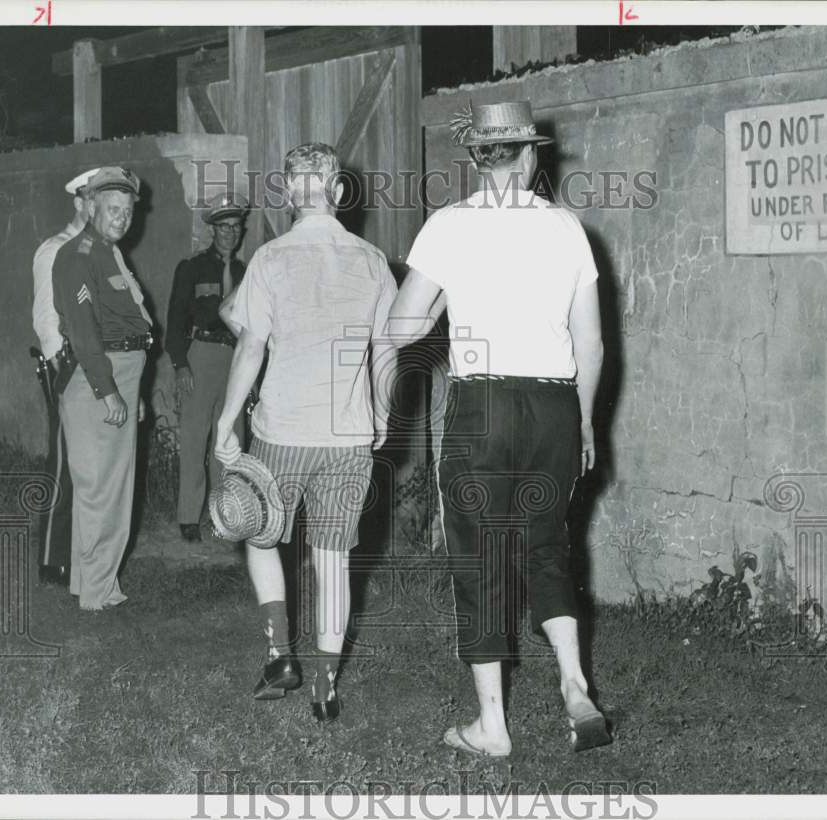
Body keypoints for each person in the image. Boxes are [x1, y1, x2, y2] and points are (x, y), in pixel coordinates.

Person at [387, 101, 609, 756]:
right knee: (545, 547)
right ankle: (574, 683)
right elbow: (590, 344)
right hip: (554, 408)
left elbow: (403, 329)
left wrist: (451, 298)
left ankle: (492, 726)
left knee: (480, 558)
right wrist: (587, 420)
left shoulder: (448, 227)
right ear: (531, 154)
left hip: (481, 408)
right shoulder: (568, 228)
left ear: (478, 158)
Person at [214, 142, 397, 722]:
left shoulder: (268, 259)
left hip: (282, 432)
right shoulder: (373, 261)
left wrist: (225, 422)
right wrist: (383, 413)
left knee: (261, 534)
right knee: (333, 561)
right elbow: (387, 349)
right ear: (338, 192)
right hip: (348, 437)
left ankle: (279, 655)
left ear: (290, 193)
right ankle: (324, 687)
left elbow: (249, 345)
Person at [52, 166, 153, 611]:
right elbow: (83, 329)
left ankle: (88, 584)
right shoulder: (78, 254)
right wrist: (108, 389)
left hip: (120, 376)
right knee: (101, 490)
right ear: (91, 207)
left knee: (109, 487)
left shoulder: (108, 252)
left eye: (128, 211)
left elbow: (125, 323)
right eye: (113, 209)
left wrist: (133, 392)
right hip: (99, 377)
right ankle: (98, 592)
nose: (122, 217)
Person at [166, 192, 248, 542]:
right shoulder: (192, 268)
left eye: (236, 227)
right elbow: (174, 321)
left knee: (229, 439)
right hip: (201, 355)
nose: (230, 233)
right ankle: (188, 517)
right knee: (196, 437)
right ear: (212, 229)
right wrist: (180, 364)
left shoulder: (247, 272)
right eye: (223, 227)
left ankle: (223, 515)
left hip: (236, 358)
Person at [31, 167, 99, 585]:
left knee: (91, 464)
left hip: (95, 364)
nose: (97, 207)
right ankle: (52, 558)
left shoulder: (96, 251)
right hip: (66, 366)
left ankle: (82, 554)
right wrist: (63, 367)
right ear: (78, 202)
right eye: (91, 199)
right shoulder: (54, 250)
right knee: (63, 460)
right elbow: (45, 317)